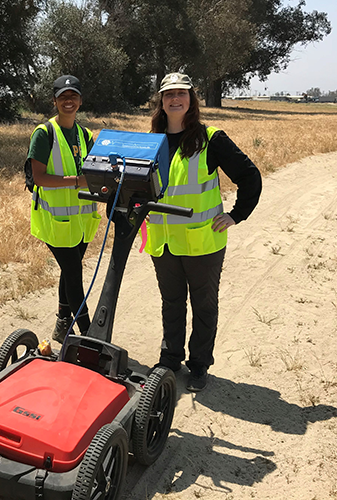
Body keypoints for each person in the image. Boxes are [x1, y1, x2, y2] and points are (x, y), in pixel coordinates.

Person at [146, 72, 262, 391]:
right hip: (164, 241)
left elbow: (250, 176)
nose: (175, 99)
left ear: (191, 99)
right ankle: (170, 358)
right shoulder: (151, 141)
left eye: (182, 93)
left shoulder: (211, 139)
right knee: (171, 302)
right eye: (169, 94)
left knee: (203, 304)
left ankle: (198, 365)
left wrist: (236, 215)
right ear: (161, 101)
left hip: (202, 242)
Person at [27, 75, 101, 343]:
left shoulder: (85, 135)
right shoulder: (44, 133)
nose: (68, 101)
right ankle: (88, 332)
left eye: (73, 96)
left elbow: (95, 171)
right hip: (54, 221)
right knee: (73, 273)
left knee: (70, 271)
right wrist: (77, 182)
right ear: (54, 101)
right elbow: (39, 177)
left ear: (80, 101)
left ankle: (62, 322)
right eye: (63, 97)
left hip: (80, 221)